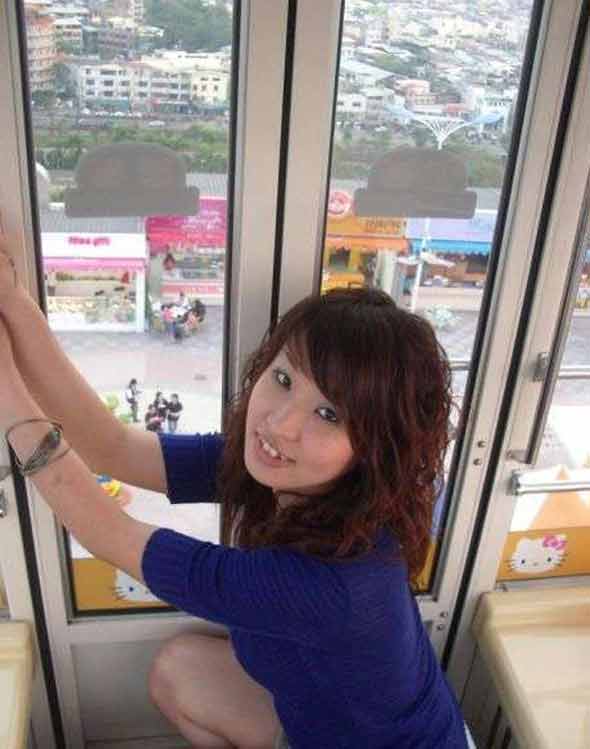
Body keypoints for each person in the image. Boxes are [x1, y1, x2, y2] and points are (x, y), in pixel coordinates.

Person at [0, 247, 469, 749]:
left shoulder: (332, 585)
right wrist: (12, 298)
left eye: (329, 414)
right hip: (337, 722)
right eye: (284, 379)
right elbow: (113, 447)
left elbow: (109, 533)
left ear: (376, 449)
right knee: (179, 669)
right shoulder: (291, 475)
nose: (280, 424)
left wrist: (4, 390)